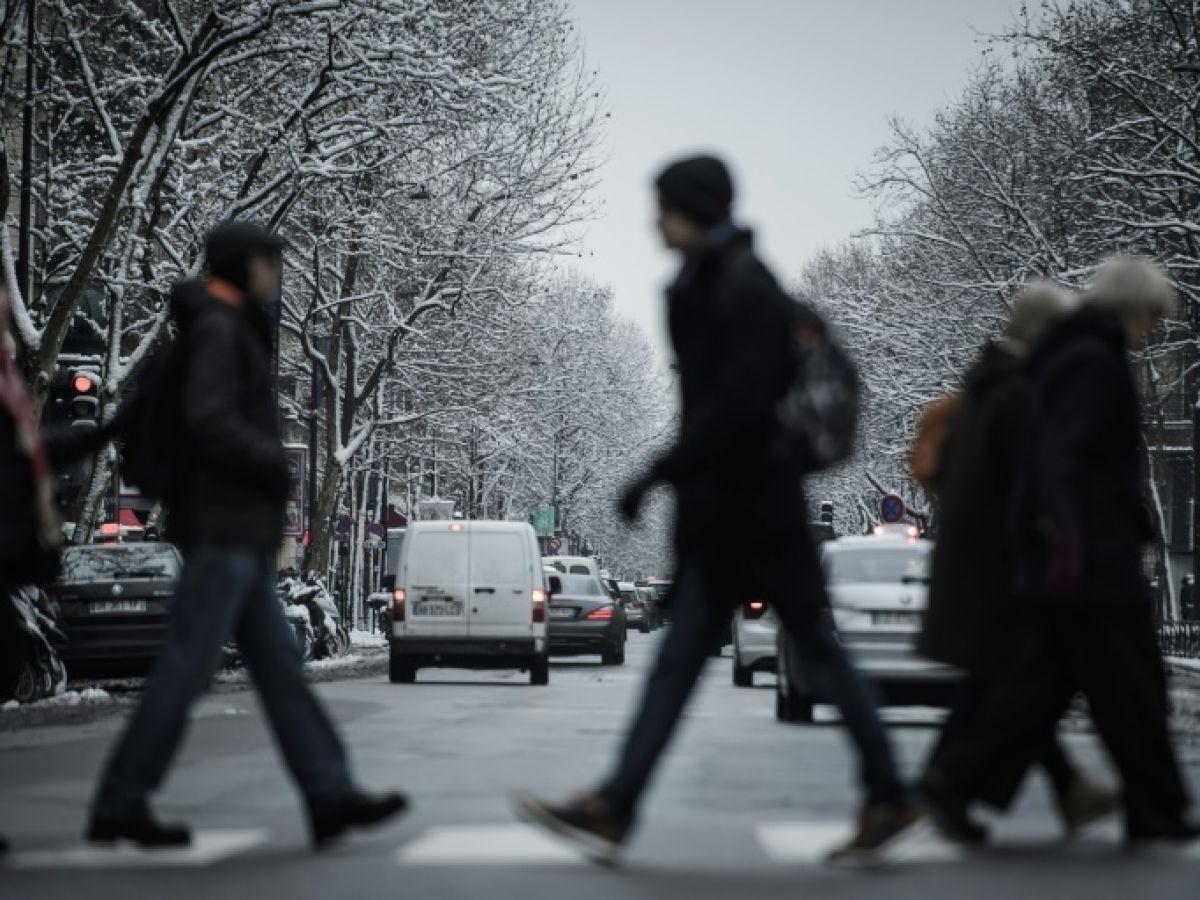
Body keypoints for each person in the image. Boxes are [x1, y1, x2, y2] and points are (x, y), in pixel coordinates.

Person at [516, 154, 919, 863]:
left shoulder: (740, 287)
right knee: (721, 658)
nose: (654, 220)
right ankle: (620, 803)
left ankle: (887, 792)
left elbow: (734, 404)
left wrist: (655, 471)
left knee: (797, 650)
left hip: (755, 510)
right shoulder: (718, 280)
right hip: (733, 511)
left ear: (694, 210)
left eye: (665, 206)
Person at [87, 222, 406, 849]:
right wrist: (268, 462)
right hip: (222, 526)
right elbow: (209, 419)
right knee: (186, 668)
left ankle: (328, 794)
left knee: (281, 670)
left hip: (233, 530)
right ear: (243, 265)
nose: (278, 272)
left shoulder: (225, 324)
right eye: (270, 261)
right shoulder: (219, 328)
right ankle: (122, 802)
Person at [922, 257, 1197, 845]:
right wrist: (1072, 538)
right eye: (1151, 317)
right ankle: (1151, 806)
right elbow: (1066, 460)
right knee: (1124, 684)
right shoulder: (1093, 363)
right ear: (1133, 309)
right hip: (1091, 553)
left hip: (1076, 551)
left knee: (1054, 684)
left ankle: (957, 780)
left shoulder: (1066, 359)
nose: (1151, 329)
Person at [914, 282, 1119, 841]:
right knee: (1013, 681)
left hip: (977, 559)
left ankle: (1064, 788)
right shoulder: (1022, 393)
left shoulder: (985, 385)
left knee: (1013, 681)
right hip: (1004, 564)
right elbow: (1037, 481)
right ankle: (942, 784)